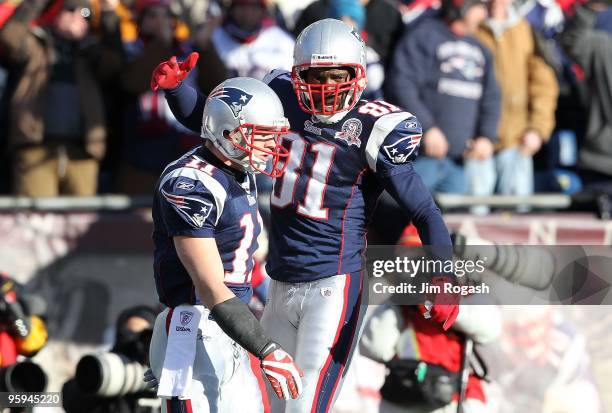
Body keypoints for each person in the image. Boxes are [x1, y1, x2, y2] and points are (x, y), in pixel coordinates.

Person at [152, 18, 458, 413]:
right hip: (280, 281)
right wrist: (179, 92)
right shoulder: (281, 98)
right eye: (316, 76)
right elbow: (220, 125)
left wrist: (444, 273)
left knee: (305, 405)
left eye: (337, 76)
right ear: (297, 74)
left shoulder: (375, 128)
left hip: (333, 285)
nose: (328, 87)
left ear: (359, 74)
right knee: (271, 405)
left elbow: (424, 208)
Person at [148, 76, 303, 412]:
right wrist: (267, 348)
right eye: (261, 136)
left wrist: (180, 92)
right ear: (230, 134)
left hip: (229, 330)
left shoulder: (233, 164)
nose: (270, 145)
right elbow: (211, 288)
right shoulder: (190, 183)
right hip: (194, 328)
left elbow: (208, 113)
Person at [0, 0, 122, 196]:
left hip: (82, 153)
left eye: (85, 14)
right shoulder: (36, 43)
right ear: (55, 12)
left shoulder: (92, 52)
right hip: (34, 149)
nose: (77, 16)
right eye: (70, 9)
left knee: (81, 223)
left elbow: (115, 67)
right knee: (35, 222)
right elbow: (10, 38)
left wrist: (108, 14)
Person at [385, 0, 501, 205]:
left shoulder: (480, 49)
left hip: (460, 163)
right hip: (420, 159)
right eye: (478, 7)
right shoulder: (424, 36)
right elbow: (402, 86)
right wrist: (427, 128)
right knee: (404, 216)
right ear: (461, 7)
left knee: (453, 230)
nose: (484, 14)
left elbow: (491, 97)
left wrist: (486, 136)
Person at [476, 0, 559, 202]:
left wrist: (537, 130)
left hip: (517, 140)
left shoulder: (526, 30)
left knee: (516, 216)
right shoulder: (472, 28)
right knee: (472, 213)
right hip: (476, 142)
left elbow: (543, 86)